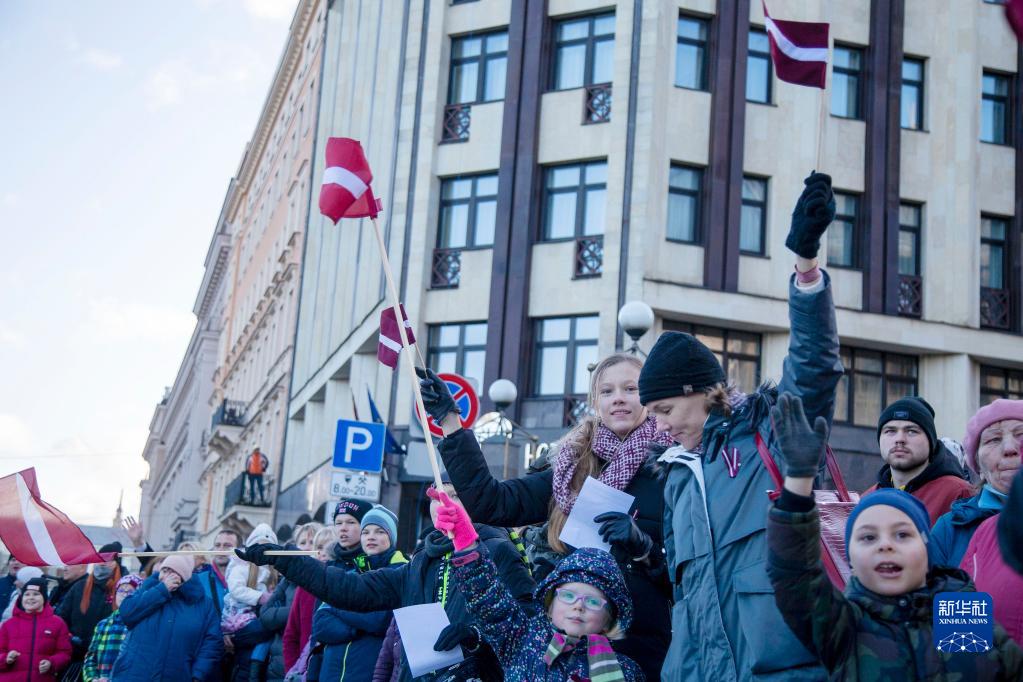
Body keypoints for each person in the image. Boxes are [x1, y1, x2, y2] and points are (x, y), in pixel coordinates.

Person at [641, 172, 843, 680]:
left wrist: (806, 268)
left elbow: (813, 365)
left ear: (697, 391)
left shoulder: (768, 433)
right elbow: (688, 601)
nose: (659, 429)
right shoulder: (678, 479)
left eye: (663, 411)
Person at [424, 353, 674, 680]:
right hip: (564, 649)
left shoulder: (671, 469)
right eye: (607, 391)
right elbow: (493, 502)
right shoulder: (570, 468)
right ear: (595, 401)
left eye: (630, 388)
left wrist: (643, 548)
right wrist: (451, 424)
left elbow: (691, 576)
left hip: (641, 650)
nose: (619, 399)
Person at [764, 393, 1023, 678]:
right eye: (868, 538)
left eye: (902, 535)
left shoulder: (960, 611)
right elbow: (794, 575)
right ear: (849, 554)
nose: (885, 545)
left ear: (927, 547)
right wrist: (799, 482)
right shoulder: (845, 625)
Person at [235, 485, 535, 682]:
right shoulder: (420, 561)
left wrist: (475, 635)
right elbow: (349, 589)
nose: (442, 502)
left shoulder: (497, 549)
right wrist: (284, 557)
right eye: (435, 495)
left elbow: (527, 620)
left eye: (455, 494)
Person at [431, 488, 641, 680]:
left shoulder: (625, 672)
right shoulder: (521, 642)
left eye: (593, 601)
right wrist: (466, 541)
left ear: (610, 618)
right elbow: (488, 597)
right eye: (568, 596)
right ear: (550, 605)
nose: (578, 606)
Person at [314, 506, 407, 682]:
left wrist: (337, 605)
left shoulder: (401, 573)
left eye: (379, 531)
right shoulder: (350, 575)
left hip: (369, 673)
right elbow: (319, 625)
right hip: (331, 675)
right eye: (365, 532)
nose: (371, 536)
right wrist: (355, 629)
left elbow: (379, 621)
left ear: (391, 537)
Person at [931, 399, 1023, 567]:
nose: (1010, 448)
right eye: (994, 439)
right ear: (977, 464)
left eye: (1021, 435)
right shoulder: (949, 530)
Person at [111, 555, 224, 682]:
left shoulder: (203, 604)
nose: (167, 576)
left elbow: (212, 642)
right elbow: (127, 613)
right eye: (165, 570)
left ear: (185, 576)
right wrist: (162, 589)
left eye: (173, 572)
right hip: (134, 674)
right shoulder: (146, 590)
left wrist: (198, 674)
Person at [864, 397, 973, 524]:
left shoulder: (959, 494)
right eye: (890, 431)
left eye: (911, 431)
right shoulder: (867, 499)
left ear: (930, 442)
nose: (899, 439)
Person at [261, 523, 321, 682]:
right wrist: (297, 611)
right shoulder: (288, 580)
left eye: (312, 542)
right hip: (280, 667)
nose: (307, 548)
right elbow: (266, 615)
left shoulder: (326, 581)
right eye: (302, 543)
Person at [223, 524, 278, 682]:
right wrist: (260, 597)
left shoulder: (274, 571)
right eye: (258, 546)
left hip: (258, 619)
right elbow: (236, 589)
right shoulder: (242, 567)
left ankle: (255, 667)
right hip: (239, 615)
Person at [55, 542, 122, 668]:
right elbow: (61, 617)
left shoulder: (121, 591)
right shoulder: (79, 586)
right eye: (99, 558)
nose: (101, 563)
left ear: (116, 565)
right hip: (72, 654)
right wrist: (69, 638)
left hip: (102, 658)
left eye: (107, 560)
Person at [282, 527, 335, 675]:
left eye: (329, 546)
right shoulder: (304, 587)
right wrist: (292, 671)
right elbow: (291, 635)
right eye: (319, 547)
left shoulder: (347, 585)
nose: (324, 552)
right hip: (303, 670)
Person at [0, 577, 72, 682]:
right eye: (27, 594)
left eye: (36, 594)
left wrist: (51, 662)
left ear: (44, 598)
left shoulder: (58, 623)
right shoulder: (8, 624)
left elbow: (65, 653)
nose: (31, 598)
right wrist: (5, 659)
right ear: (21, 598)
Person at [82, 574, 142, 682]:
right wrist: (92, 679)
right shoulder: (102, 624)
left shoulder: (141, 624)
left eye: (130, 591)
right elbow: (90, 657)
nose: (124, 595)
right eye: (121, 590)